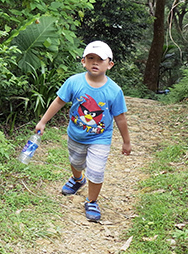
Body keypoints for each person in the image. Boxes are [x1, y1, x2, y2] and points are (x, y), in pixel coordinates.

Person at [34, 41, 132, 222]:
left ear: (109, 64)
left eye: (100, 59)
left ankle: (92, 200)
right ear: (83, 62)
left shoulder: (114, 91)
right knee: (76, 162)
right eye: (90, 58)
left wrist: (126, 141)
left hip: (100, 138)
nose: (95, 62)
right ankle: (78, 180)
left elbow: (120, 118)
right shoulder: (74, 82)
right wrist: (43, 121)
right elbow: (58, 102)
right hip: (76, 135)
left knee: (96, 171)